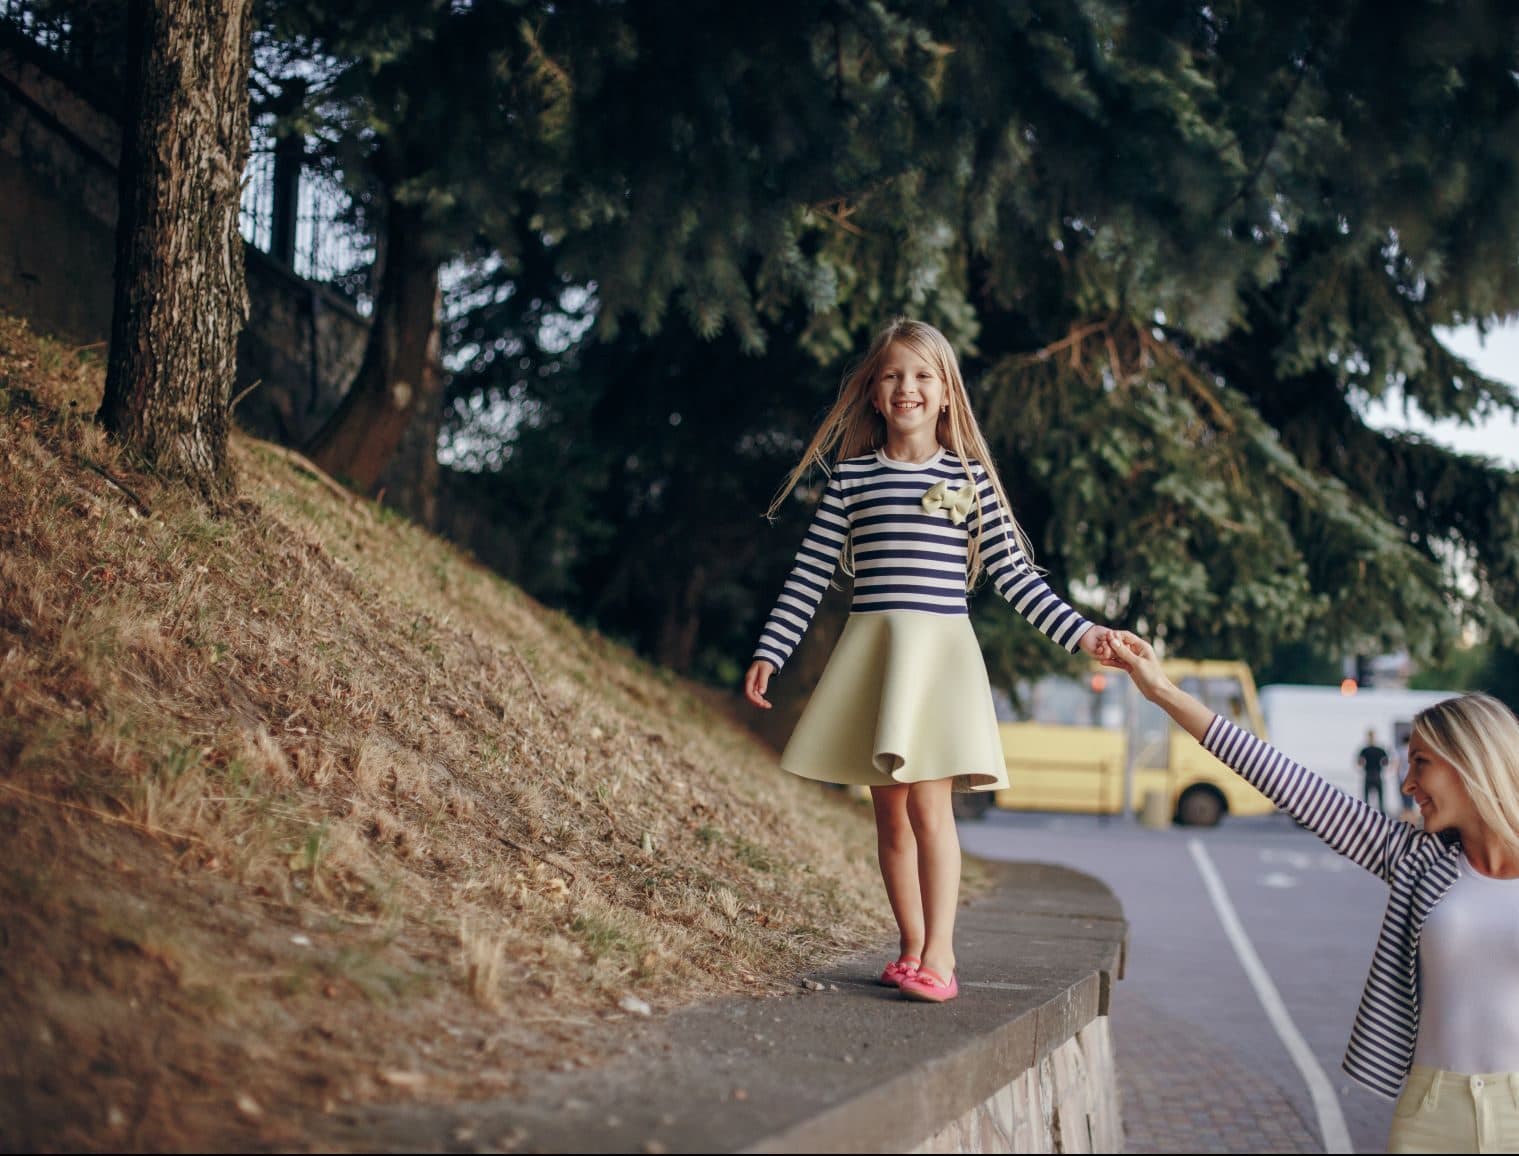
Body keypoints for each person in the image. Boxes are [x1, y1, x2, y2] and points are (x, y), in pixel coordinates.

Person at [742, 318, 1113, 1003]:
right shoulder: (851, 481)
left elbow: (1016, 578)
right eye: (890, 376)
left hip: (938, 662)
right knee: (887, 815)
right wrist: (771, 649)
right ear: (873, 396)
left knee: (929, 811)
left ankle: (940, 955)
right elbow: (807, 576)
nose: (905, 387)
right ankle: (909, 945)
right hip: (877, 659)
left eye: (921, 375)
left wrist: (1082, 634)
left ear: (945, 394)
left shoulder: (969, 479)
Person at [1104, 630, 1519, 1153]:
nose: (1408, 784)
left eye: (1421, 763)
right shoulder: (1418, 860)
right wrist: (1162, 690)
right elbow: (1286, 780)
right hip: (1432, 1111)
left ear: (1471, 764)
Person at [1359, 729, 1391, 814]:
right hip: (1377, 775)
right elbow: (1386, 762)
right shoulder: (1380, 749)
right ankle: (1382, 817)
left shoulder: (1364, 750)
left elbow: (1360, 763)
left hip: (1368, 775)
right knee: (1380, 800)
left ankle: (1366, 816)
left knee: (1366, 800)